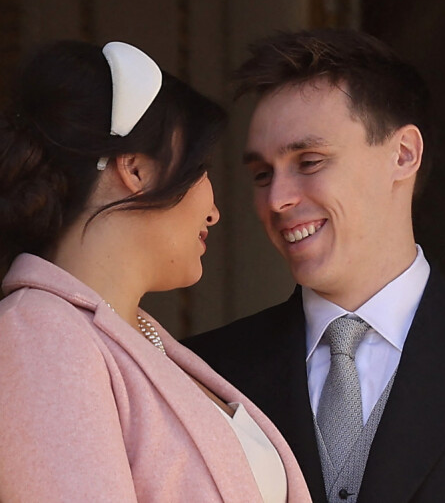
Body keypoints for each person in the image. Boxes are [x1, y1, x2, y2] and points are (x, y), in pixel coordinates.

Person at [184, 28, 445, 503]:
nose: (278, 198)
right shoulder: (206, 372)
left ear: (403, 154)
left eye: (309, 161)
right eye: (262, 174)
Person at [0, 40, 312, 502]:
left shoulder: (131, 334)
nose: (214, 212)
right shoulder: (38, 334)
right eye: (198, 167)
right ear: (136, 170)